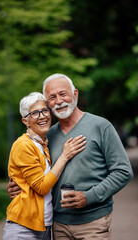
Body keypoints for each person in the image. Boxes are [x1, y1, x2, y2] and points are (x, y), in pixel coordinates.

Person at [8, 74, 133, 240]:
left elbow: (123, 172)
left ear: (75, 94)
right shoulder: (47, 136)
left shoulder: (100, 126)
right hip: (58, 225)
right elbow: (37, 175)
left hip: (93, 222)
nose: (59, 101)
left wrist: (88, 197)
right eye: (52, 97)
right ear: (47, 103)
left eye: (63, 94)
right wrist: (20, 186)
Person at [3, 92, 86, 240]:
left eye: (44, 110)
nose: (42, 116)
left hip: (45, 227)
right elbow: (41, 187)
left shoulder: (43, 144)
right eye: (34, 113)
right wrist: (65, 156)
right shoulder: (23, 145)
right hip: (23, 228)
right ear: (25, 121)